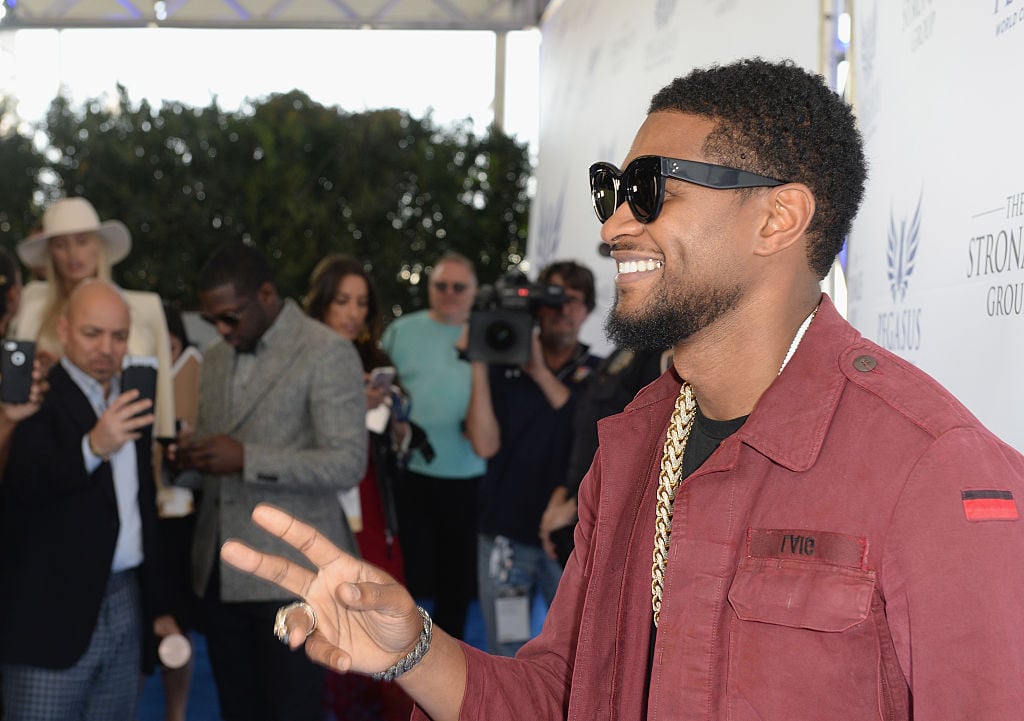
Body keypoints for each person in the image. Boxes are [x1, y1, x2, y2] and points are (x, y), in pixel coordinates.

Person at [223, 57, 1024, 720]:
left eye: (652, 190)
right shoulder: (637, 442)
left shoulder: (932, 469)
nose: (612, 226)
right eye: (613, 191)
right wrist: (411, 648)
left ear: (777, 219)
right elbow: (557, 695)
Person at [173, 241, 366, 721]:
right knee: (237, 710)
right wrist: (189, 459)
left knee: (291, 712)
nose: (221, 329)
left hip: (293, 575)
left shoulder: (327, 351)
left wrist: (246, 459)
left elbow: (347, 463)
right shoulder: (215, 356)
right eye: (212, 319)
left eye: (230, 317)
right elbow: (218, 455)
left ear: (265, 294)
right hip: (220, 570)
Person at [0, 279, 180, 720]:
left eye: (118, 336)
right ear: (63, 330)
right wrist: (92, 447)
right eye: (92, 333)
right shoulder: (33, 395)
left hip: (124, 600)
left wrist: (160, 608)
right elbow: (21, 489)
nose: (107, 347)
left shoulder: (131, 398)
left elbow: (142, 510)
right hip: (46, 613)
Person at [464, 260, 601, 655]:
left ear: (588, 310)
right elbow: (484, 446)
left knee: (575, 657)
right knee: (506, 656)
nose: (563, 311)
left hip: (569, 538)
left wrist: (540, 372)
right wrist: (478, 356)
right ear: (536, 306)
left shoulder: (600, 374)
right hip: (505, 535)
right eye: (553, 299)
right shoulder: (502, 361)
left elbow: (588, 431)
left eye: (573, 302)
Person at [304, 253, 414, 721]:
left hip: (375, 505)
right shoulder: (301, 359)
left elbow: (400, 440)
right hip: (322, 506)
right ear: (322, 304)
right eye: (342, 301)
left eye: (361, 303)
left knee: (384, 610)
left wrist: (399, 427)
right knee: (335, 614)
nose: (352, 313)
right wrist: (352, 405)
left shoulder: (376, 359)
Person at [9, 196, 176, 440]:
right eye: (60, 245)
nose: (72, 254)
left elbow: (161, 397)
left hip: (122, 438)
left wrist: (164, 441)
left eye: (82, 241)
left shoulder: (144, 308)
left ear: (99, 245)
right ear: (50, 253)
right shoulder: (32, 306)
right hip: (45, 438)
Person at [381, 252, 485, 640]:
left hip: (468, 473)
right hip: (410, 472)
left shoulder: (487, 334)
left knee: (456, 581)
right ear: (429, 288)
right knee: (411, 574)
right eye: (441, 285)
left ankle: (450, 666)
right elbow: (380, 388)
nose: (449, 293)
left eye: (459, 287)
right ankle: (402, 653)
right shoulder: (401, 332)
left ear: (474, 291)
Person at [538, 345, 670, 566]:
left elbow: (646, 452)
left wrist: (573, 509)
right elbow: (587, 431)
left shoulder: (666, 355)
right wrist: (563, 495)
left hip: (610, 528)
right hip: (577, 517)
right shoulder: (629, 346)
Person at [152, 302, 203, 721]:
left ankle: (177, 713)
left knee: (178, 622)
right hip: (140, 516)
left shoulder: (197, 371)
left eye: (168, 345)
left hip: (183, 520)